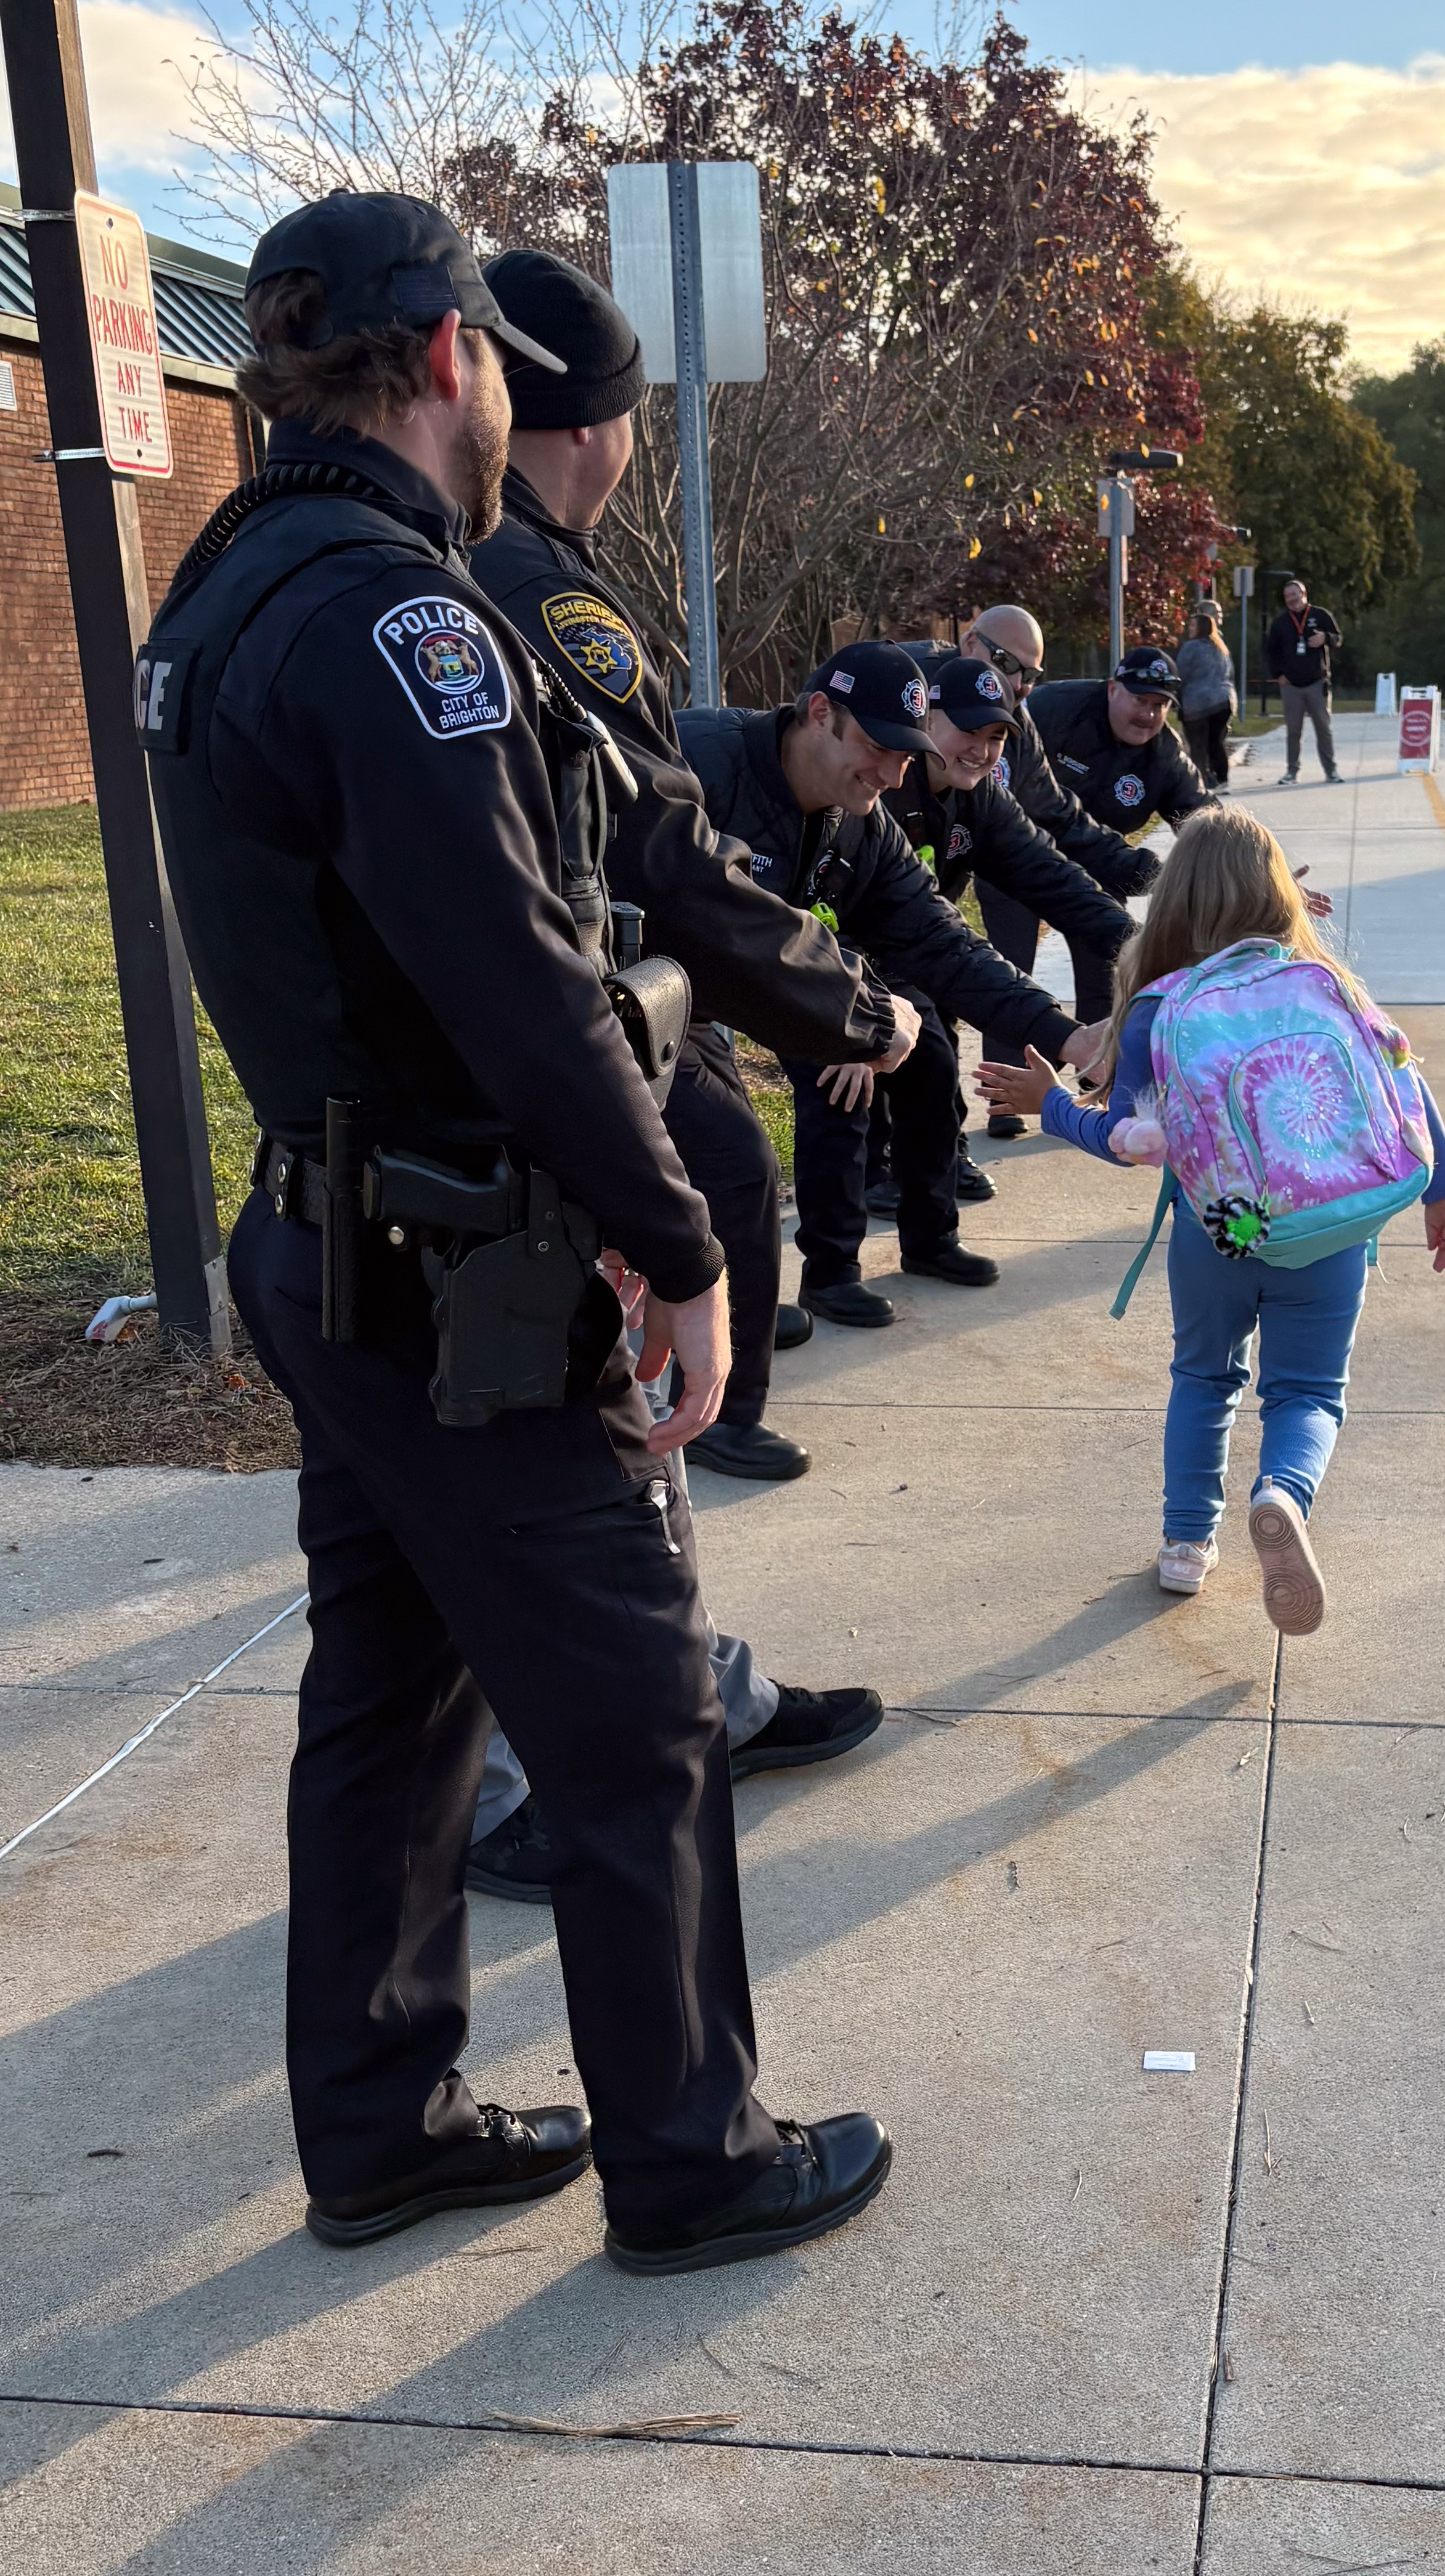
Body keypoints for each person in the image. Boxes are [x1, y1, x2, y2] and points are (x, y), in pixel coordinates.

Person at [136, 189, 888, 2273]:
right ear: (454, 359)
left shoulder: (216, 592)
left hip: (328, 1240)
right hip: (469, 1271)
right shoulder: (404, 624)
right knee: (636, 1715)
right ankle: (693, 2154)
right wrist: (690, 1247)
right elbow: (528, 988)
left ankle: (384, 2126)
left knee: (390, 1690)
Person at [470, 250, 917, 1482]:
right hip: (564, 1016)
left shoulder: (428, 558)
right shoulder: (542, 593)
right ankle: (696, 1428)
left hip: (431, 1063)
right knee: (713, 1176)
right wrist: (857, 1015)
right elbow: (666, 857)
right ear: (601, 425)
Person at [976, 808, 1445, 1632]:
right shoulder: (1330, 984)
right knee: (1307, 1391)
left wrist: (1053, 1108)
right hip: (1329, 1228)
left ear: (1175, 902)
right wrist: (1442, 1191)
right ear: (1279, 894)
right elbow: (1404, 1086)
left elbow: (1132, 1142)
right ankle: (1282, 1492)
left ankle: (1184, 1545)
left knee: (1204, 1378)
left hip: (1221, 1231)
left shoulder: (1158, 1008)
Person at [678, 646, 1104, 1326]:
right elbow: (714, 922)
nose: (890, 772)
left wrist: (1070, 1035)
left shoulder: (864, 822)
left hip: (743, 989)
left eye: (904, 756)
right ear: (821, 714)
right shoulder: (700, 759)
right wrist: (860, 1018)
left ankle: (745, 1317)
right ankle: (750, 1322)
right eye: (877, 747)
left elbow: (946, 943)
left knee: (900, 1073)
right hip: (606, 979)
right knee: (731, 1156)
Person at [902, 605, 1162, 1144]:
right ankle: (896, 1162)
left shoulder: (996, 772)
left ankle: (936, 1159)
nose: (1017, 684)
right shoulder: (886, 757)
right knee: (908, 1044)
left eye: (1029, 676)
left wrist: (1152, 951)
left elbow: (1053, 858)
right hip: (846, 932)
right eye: (1005, 663)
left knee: (935, 1039)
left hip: (926, 917)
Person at [1026, 645, 1214, 850]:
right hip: (1023, 851)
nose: (1148, 715)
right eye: (1140, 700)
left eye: (1159, 705)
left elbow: (1203, 819)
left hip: (1098, 861)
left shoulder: (1166, 755)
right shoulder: (1051, 708)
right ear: (1113, 690)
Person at [1263, 578, 1342, 787]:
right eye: (1287, 596)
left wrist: (1325, 638)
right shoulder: (1280, 622)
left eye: (1294, 594)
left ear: (1303, 594)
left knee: (1323, 728)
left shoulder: (1320, 615)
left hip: (1317, 681)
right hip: (1291, 685)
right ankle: (1292, 772)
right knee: (1294, 731)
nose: (1291, 599)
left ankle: (1331, 770)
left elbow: (1338, 639)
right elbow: (1271, 652)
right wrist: (1278, 675)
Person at [1174, 609, 1236, 788]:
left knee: (1198, 745)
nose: (1189, 628)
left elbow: (1181, 674)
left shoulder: (1191, 647)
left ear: (1201, 628)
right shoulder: (1221, 648)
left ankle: (1200, 781)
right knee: (1216, 742)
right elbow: (1230, 673)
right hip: (1223, 701)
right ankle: (1223, 779)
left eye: (1193, 625)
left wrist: (1176, 696)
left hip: (1198, 704)